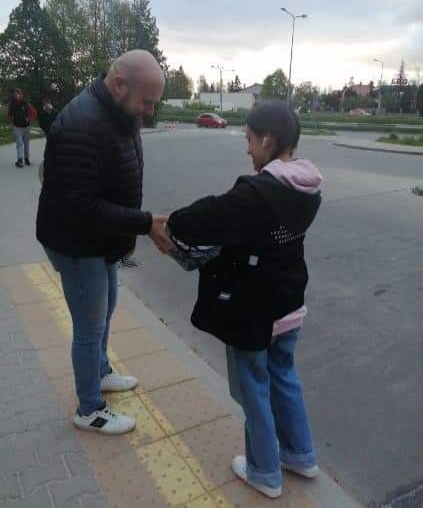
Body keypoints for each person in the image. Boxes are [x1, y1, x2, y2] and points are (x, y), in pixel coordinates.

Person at [167, 101, 322, 498]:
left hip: (256, 311)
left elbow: (206, 216)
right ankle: (300, 455)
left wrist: (173, 221)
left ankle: (264, 472)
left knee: (253, 389)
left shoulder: (258, 192)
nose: (248, 149)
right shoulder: (307, 187)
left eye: (250, 140)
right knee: (283, 377)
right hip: (289, 302)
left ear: (267, 140)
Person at [36, 50, 172, 435]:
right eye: (147, 102)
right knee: (89, 326)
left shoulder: (117, 112)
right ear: (118, 84)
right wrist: (143, 224)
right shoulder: (81, 125)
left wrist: (127, 232)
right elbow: (82, 207)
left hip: (100, 239)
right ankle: (90, 409)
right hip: (77, 243)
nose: (149, 112)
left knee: (107, 306)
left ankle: (100, 371)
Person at [7, 88, 37, 167]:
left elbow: (34, 113)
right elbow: (9, 115)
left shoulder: (26, 104)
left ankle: (26, 158)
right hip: (17, 127)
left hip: (26, 127)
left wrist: (29, 119)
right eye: (15, 94)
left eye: (18, 94)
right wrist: (12, 119)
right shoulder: (12, 104)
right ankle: (20, 159)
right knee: (19, 143)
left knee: (26, 144)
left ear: (21, 95)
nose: (16, 95)